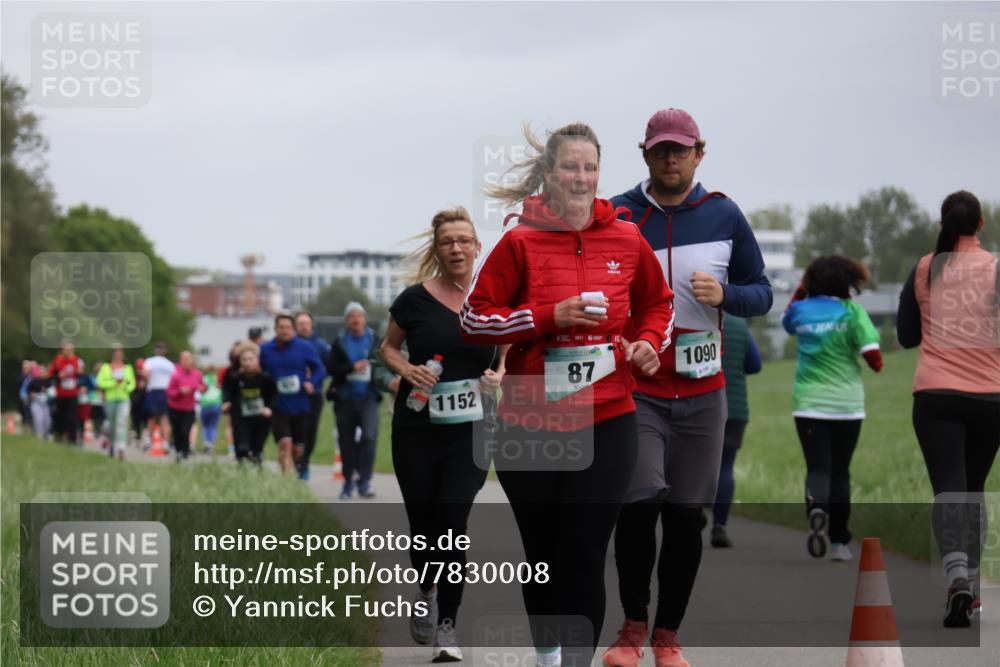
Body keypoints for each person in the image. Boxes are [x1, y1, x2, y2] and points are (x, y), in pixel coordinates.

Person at [461, 123, 674, 667]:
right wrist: (545, 317)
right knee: (544, 557)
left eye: (590, 167)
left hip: (608, 415)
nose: (581, 177)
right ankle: (548, 655)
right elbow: (474, 321)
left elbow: (659, 305)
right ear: (550, 175)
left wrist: (648, 343)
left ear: (599, 173)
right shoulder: (520, 241)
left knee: (583, 553)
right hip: (529, 417)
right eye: (570, 167)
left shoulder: (626, 239)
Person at [605, 108, 773, 667]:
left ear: (699, 153)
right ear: (645, 154)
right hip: (640, 387)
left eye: (681, 150)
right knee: (639, 501)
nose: (671, 159)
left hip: (704, 391)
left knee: (684, 515)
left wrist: (726, 296)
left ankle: (667, 637)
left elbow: (762, 293)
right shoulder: (619, 214)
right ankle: (631, 628)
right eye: (660, 150)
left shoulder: (724, 215)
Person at [381, 206, 508, 662]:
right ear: (437, 250)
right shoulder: (414, 300)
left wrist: (499, 374)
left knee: (453, 525)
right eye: (447, 241)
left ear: (477, 247)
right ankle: (426, 589)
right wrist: (408, 369)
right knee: (424, 528)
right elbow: (388, 348)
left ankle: (448, 626)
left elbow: (506, 350)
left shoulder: (493, 298)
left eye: (463, 240)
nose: (456, 247)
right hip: (416, 428)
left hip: (471, 429)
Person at [897, 190, 1000, 627]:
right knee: (972, 488)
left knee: (949, 488)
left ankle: (957, 575)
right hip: (991, 397)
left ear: (944, 223)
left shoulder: (924, 268)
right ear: (980, 225)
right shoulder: (996, 268)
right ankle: (970, 586)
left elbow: (905, 336)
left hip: (936, 396)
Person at [783, 256, 883, 563]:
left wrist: (801, 290)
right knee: (841, 471)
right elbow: (873, 356)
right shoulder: (852, 312)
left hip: (809, 404)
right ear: (846, 282)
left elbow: (787, 321)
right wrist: (874, 362)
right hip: (847, 405)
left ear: (810, 282)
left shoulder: (800, 310)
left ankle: (816, 507)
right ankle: (839, 542)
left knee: (818, 468)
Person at [710, 314, 763, 548]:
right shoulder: (740, 325)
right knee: (726, 467)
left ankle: (694, 512)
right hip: (735, 409)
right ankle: (719, 525)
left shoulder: (696, 318)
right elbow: (755, 364)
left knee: (691, 465)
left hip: (703, 404)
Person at [327, 302, 383, 499]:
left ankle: (364, 480)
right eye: (351, 316)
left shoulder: (375, 339)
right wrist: (351, 368)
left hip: (368, 395)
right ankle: (348, 482)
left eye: (359, 316)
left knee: (369, 436)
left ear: (365, 319)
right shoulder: (340, 341)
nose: (356, 319)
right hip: (345, 397)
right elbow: (331, 368)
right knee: (346, 441)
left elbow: (384, 363)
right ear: (346, 321)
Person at [260, 314, 326, 474]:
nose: (284, 331)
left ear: (293, 329)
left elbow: (320, 368)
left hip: (300, 403)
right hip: (278, 403)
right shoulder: (266, 350)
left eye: (288, 327)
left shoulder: (304, 347)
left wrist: (312, 382)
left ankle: (292, 466)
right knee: (285, 444)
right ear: (276, 329)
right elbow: (259, 371)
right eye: (281, 327)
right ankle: (287, 479)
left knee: (298, 449)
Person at [222, 342, 276, 466]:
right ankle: (241, 466)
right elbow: (227, 392)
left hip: (260, 418)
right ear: (240, 361)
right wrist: (226, 403)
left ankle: (257, 466)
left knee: (257, 447)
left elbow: (273, 394)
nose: (247, 362)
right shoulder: (234, 378)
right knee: (242, 447)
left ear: (257, 360)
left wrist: (269, 408)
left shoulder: (265, 378)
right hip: (241, 417)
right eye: (244, 359)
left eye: (251, 359)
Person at [295, 311, 331, 480]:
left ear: (311, 325)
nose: (303, 326)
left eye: (306, 323)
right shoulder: (290, 343)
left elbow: (327, 368)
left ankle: (305, 462)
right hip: (293, 395)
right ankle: (295, 463)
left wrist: (314, 379)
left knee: (310, 431)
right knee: (296, 430)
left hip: (313, 394)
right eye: (300, 323)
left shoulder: (320, 345)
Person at [97, 345, 137, 460]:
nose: (118, 355)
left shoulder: (127, 368)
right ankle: (111, 445)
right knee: (111, 424)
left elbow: (132, 384)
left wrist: (125, 386)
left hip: (123, 399)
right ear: (113, 354)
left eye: (120, 353)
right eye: (116, 353)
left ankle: (121, 449)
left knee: (121, 423)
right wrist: (114, 383)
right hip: (110, 399)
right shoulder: (106, 367)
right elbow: (100, 382)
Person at [166, 351, 207, 461]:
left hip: (189, 408)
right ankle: (178, 450)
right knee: (177, 431)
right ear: (181, 361)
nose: (187, 362)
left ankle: (185, 451)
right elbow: (169, 392)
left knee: (186, 430)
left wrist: (202, 388)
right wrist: (179, 391)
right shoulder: (175, 374)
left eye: (189, 359)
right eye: (185, 359)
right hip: (175, 407)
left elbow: (203, 386)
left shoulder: (197, 374)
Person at [48, 341, 85, 445]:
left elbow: (83, 377)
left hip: (73, 394)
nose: (68, 351)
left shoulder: (77, 361)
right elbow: (49, 375)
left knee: (72, 417)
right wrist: (58, 376)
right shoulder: (57, 361)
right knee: (60, 416)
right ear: (62, 350)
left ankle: (72, 440)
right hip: (60, 394)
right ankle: (58, 436)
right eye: (66, 349)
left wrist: (79, 377)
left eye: (70, 349)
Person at [143, 343, 176, 446]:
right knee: (165, 417)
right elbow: (174, 379)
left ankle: (149, 439)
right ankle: (166, 441)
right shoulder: (170, 364)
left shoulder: (149, 361)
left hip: (153, 390)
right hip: (166, 391)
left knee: (152, 417)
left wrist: (146, 384)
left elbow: (146, 374)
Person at [198, 366, 223, 453]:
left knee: (205, 425)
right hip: (216, 404)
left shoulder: (202, 379)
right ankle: (212, 443)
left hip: (205, 404)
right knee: (213, 425)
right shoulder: (218, 379)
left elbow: (199, 391)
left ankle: (206, 442)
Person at [27, 366, 52, 440]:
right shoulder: (33, 381)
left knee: (47, 420)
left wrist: (47, 392)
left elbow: (51, 391)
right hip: (36, 403)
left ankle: (46, 435)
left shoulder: (48, 381)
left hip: (45, 403)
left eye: (44, 372)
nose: (43, 373)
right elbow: (29, 391)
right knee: (39, 419)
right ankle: (39, 435)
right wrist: (31, 395)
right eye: (41, 372)